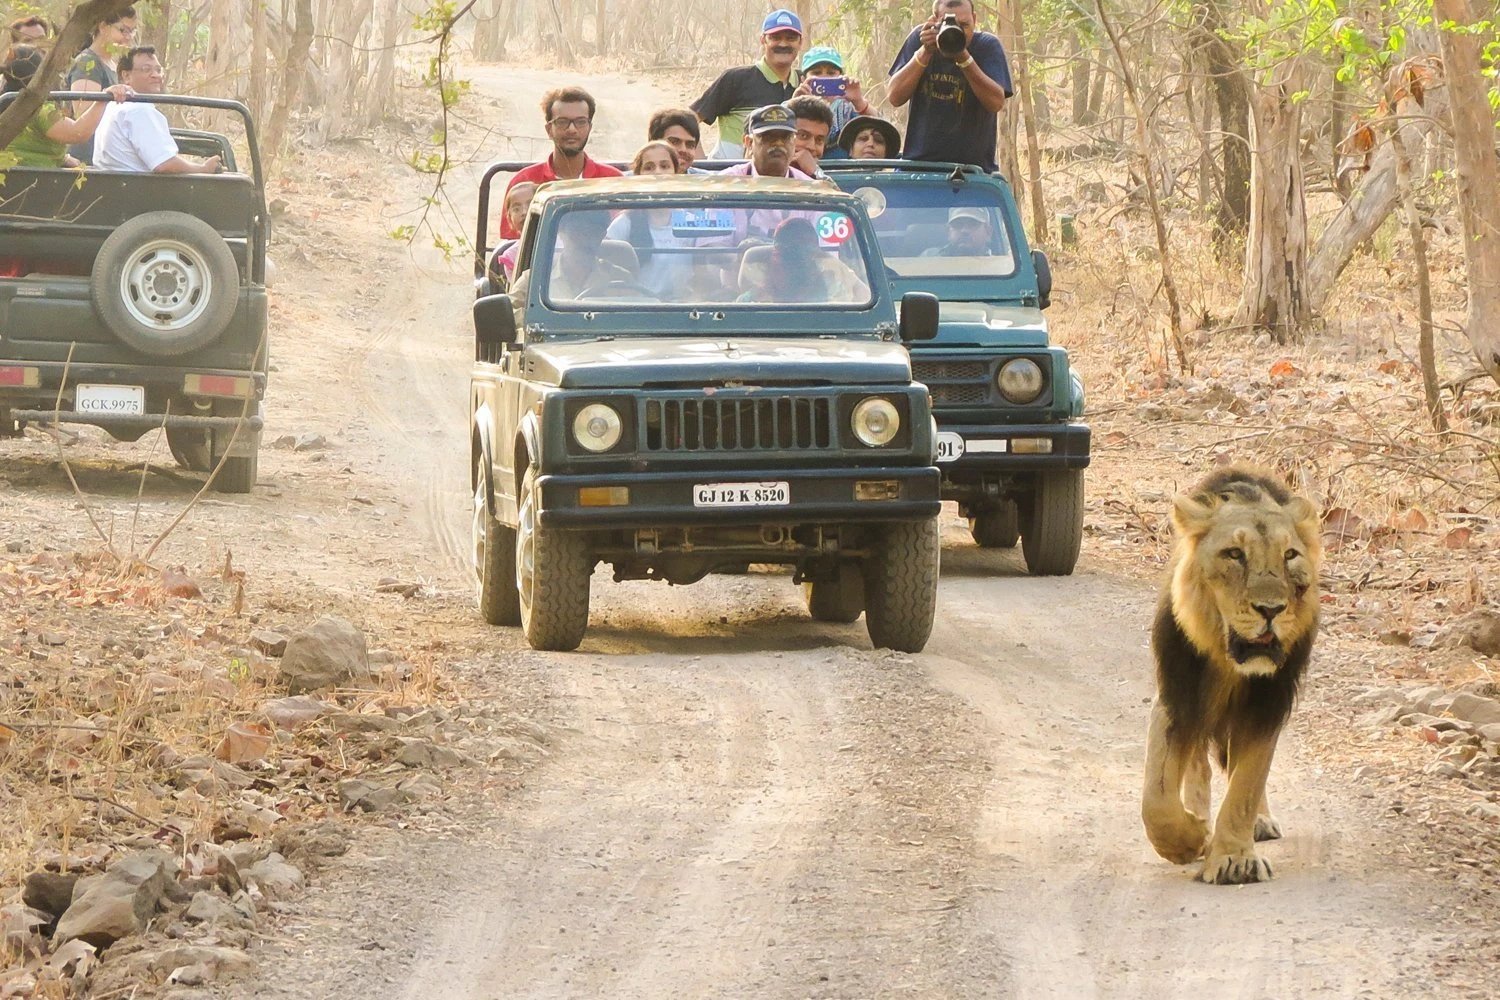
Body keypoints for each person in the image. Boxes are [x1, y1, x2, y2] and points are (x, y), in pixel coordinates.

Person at [887, 0, 1012, 172]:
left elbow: (996, 102)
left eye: (964, 25)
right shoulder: (921, 39)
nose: (958, 31)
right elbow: (895, 96)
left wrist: (963, 56)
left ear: (974, 19)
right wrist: (925, 52)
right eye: (950, 24)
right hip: (919, 166)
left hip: (972, 170)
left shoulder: (986, 45)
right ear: (934, 20)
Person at [500, 87, 621, 239]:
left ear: (590, 127)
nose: (572, 129)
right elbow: (513, 249)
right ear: (549, 129)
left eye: (581, 122)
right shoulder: (523, 182)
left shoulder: (614, 180)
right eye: (562, 122)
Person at [691, 9, 802, 159]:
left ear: (800, 42)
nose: (783, 44)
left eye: (790, 38)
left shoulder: (805, 83)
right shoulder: (736, 79)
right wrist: (700, 164)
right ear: (763, 40)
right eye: (775, 37)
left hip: (785, 178)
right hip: (731, 178)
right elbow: (689, 119)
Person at [93, 47, 222, 174]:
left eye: (158, 70)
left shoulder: (112, 106)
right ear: (126, 75)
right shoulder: (138, 110)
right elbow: (164, 164)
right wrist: (203, 169)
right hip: (140, 191)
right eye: (146, 69)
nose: (156, 75)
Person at [0, 44, 129, 168]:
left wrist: (64, 158)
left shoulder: (9, 103)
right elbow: (77, 133)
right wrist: (102, 99)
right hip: (35, 182)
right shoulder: (39, 109)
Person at [609, 143, 698, 297]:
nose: (657, 172)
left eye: (665, 166)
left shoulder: (692, 222)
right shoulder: (624, 224)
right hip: (636, 310)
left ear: (676, 172)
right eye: (649, 167)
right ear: (637, 176)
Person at [64, 4, 136, 165]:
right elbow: (82, 113)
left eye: (132, 31)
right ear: (103, 27)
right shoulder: (87, 62)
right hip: (86, 157)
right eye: (123, 30)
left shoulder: (113, 64)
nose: (128, 37)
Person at [792, 45, 877, 154]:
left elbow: (883, 130)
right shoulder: (791, 105)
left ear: (840, 77)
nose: (824, 77)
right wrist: (795, 104)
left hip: (841, 168)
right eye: (816, 73)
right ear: (803, 79)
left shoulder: (847, 109)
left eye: (831, 73)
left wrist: (859, 101)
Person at [716, 104, 813, 180]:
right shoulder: (728, 184)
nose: (778, 143)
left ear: (794, 143)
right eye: (769, 137)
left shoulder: (807, 188)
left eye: (785, 137)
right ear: (749, 142)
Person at [491, 180, 537, 282]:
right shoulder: (512, 256)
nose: (524, 212)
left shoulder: (565, 243)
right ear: (509, 219)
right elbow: (518, 295)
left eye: (530, 205)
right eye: (516, 209)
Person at [785, 94, 833, 178]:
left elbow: (835, 191)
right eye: (803, 136)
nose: (812, 147)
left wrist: (815, 173)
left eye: (819, 140)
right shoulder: (759, 171)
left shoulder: (821, 178)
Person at [646, 107, 705, 173]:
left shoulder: (709, 180)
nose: (683, 149)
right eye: (674, 142)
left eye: (690, 145)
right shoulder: (634, 181)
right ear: (652, 145)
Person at [922, 206, 993, 257]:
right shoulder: (929, 258)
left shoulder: (999, 266)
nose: (964, 230)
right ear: (948, 232)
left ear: (988, 232)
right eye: (957, 224)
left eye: (973, 224)